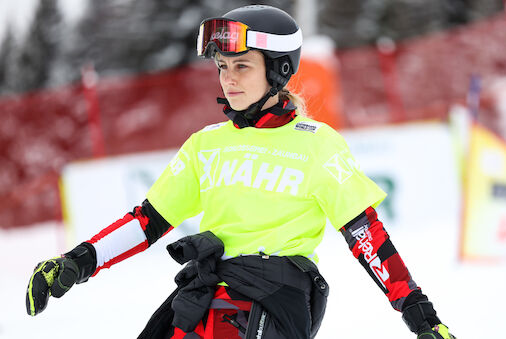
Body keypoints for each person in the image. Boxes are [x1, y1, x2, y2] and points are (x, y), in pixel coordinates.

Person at [25, 5, 456, 339]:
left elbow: (367, 237)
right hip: (206, 295)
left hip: (274, 296)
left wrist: (419, 314)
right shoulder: (206, 144)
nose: (228, 79)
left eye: (242, 65)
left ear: (279, 69)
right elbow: (147, 221)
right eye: (222, 67)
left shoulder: (317, 144)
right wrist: (78, 261)